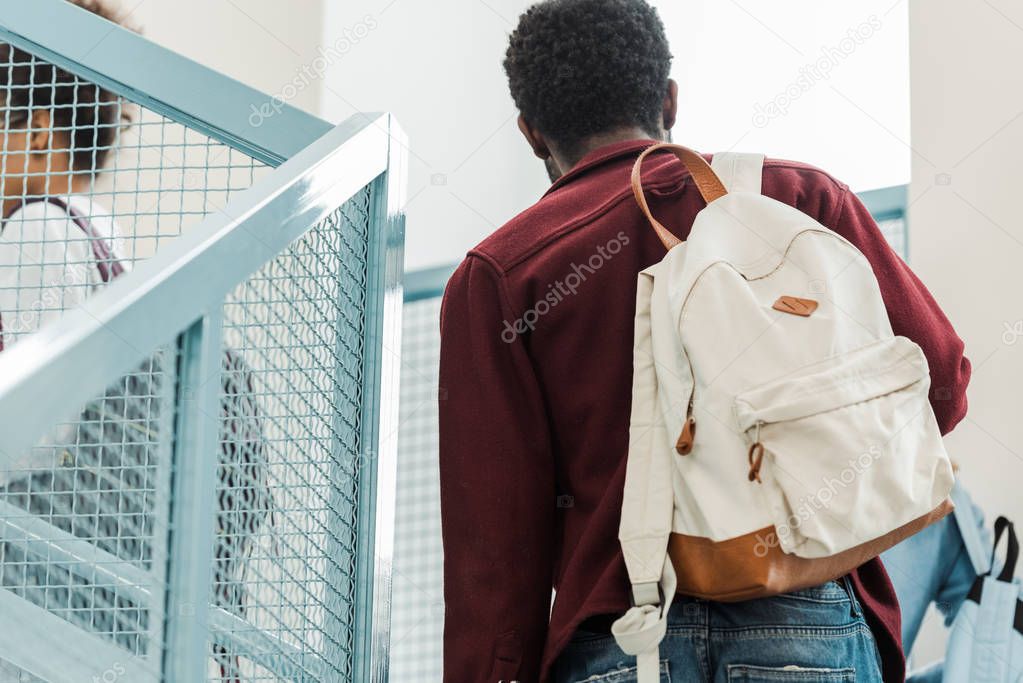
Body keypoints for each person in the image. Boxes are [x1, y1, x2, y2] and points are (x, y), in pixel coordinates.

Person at [437, 1, 971, 681]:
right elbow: (943, 386)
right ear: (668, 98)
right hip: (804, 616)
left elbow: (496, 553)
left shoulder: (501, 275)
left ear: (531, 133)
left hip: (619, 639)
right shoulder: (798, 199)